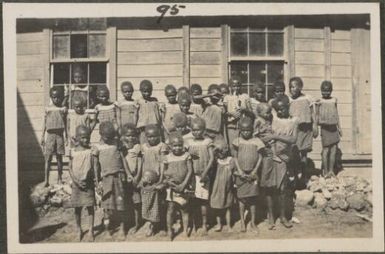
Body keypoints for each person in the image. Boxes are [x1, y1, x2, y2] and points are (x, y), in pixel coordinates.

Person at [93, 121, 133, 238]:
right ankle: (107, 229)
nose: (108, 138)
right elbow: (96, 166)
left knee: (121, 204)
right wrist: (97, 181)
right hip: (105, 179)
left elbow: (123, 159)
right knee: (106, 206)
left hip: (118, 177)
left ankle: (122, 228)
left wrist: (128, 173)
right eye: (106, 136)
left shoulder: (117, 143)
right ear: (100, 134)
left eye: (110, 136)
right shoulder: (97, 147)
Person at [270, 96, 299, 228]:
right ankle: (271, 216)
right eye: (277, 110)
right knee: (271, 188)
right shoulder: (274, 119)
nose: (280, 112)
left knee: (283, 189)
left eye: (282, 109)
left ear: (288, 106)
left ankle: (282, 216)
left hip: (285, 157)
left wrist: (276, 136)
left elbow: (293, 140)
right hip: (272, 157)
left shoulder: (293, 121)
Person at [232, 117, 264, 233]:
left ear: (252, 130)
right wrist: (239, 170)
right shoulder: (237, 141)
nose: (246, 132)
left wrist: (255, 170)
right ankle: (242, 222)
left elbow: (260, 157)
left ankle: (253, 222)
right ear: (240, 130)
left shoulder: (257, 141)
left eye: (248, 130)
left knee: (253, 199)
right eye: (243, 130)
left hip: (253, 174)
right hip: (241, 174)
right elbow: (235, 157)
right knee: (241, 200)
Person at [184, 117, 214, 235]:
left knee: (203, 201)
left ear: (204, 129)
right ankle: (193, 224)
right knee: (191, 201)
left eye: (199, 130)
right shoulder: (188, 142)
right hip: (191, 175)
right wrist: (188, 152)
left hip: (203, 175)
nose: (196, 132)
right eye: (194, 130)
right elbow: (181, 153)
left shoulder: (208, 141)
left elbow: (211, 158)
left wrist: (206, 172)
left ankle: (204, 224)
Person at [161, 132, 193, 240]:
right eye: (175, 145)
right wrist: (170, 183)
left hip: (184, 187)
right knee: (170, 209)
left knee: (185, 209)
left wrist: (184, 184)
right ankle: (170, 231)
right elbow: (164, 173)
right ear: (170, 146)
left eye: (180, 145)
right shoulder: (167, 157)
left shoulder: (186, 156)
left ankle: (185, 230)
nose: (178, 148)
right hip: (172, 188)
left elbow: (190, 171)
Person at [67, 125, 97, 241]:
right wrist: (76, 180)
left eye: (88, 137)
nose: (86, 140)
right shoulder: (72, 151)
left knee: (90, 207)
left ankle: (90, 230)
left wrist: (96, 181)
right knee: (77, 208)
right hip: (76, 184)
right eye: (83, 137)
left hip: (88, 183)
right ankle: (79, 229)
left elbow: (94, 167)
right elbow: (69, 167)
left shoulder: (91, 151)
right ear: (77, 138)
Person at [140, 124, 168, 236]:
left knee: (160, 202)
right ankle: (150, 225)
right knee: (148, 202)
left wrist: (161, 178)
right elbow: (143, 162)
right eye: (149, 137)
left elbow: (162, 164)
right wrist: (143, 178)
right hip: (147, 178)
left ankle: (162, 225)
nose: (152, 139)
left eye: (155, 136)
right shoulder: (144, 147)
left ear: (159, 136)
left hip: (158, 177)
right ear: (146, 137)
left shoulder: (162, 146)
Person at [288, 77, 318, 177]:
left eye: (294, 87)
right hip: (295, 130)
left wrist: (315, 125)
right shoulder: (289, 100)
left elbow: (313, 113)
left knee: (304, 153)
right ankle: (296, 175)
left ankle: (304, 175)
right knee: (294, 152)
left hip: (306, 129)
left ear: (300, 87)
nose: (292, 89)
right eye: (290, 87)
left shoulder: (307, 98)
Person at [40, 86, 68, 187]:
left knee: (59, 158)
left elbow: (66, 124)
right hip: (50, 135)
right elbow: (44, 123)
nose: (56, 99)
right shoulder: (48, 109)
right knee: (48, 158)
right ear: (51, 97)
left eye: (58, 97)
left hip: (60, 135)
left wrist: (67, 137)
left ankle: (60, 178)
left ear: (61, 97)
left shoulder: (63, 109)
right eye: (54, 97)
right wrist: (42, 136)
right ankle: (46, 180)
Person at [316, 81, 342, 177]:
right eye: (323, 91)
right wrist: (316, 127)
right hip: (325, 128)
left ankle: (331, 171)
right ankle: (325, 172)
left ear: (331, 90)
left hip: (334, 128)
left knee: (334, 149)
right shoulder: (319, 101)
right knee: (326, 150)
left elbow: (336, 114)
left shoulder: (334, 100)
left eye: (327, 91)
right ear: (321, 90)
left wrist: (340, 128)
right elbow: (316, 115)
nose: (325, 93)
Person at [121, 124, 142, 234]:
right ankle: (128, 222)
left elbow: (140, 162)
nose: (130, 138)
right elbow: (123, 162)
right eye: (128, 136)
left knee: (136, 202)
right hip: (126, 178)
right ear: (124, 136)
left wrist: (137, 177)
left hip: (136, 178)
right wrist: (128, 175)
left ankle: (138, 223)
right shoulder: (123, 148)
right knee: (127, 201)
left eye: (133, 136)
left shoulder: (138, 147)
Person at [210, 139, 235, 232]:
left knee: (227, 206)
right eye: (218, 151)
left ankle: (229, 226)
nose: (221, 153)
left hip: (227, 187)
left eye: (222, 150)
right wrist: (214, 151)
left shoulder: (230, 160)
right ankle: (219, 224)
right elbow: (211, 161)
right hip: (217, 187)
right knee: (217, 207)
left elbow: (233, 172)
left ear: (227, 149)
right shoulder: (216, 161)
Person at [223, 76, 252, 153]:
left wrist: (244, 109)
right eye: (234, 86)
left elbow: (251, 112)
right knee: (233, 147)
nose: (236, 88)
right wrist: (231, 113)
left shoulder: (245, 96)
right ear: (230, 87)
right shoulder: (227, 98)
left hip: (244, 127)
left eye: (238, 86)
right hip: (232, 126)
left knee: (244, 146)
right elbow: (223, 113)